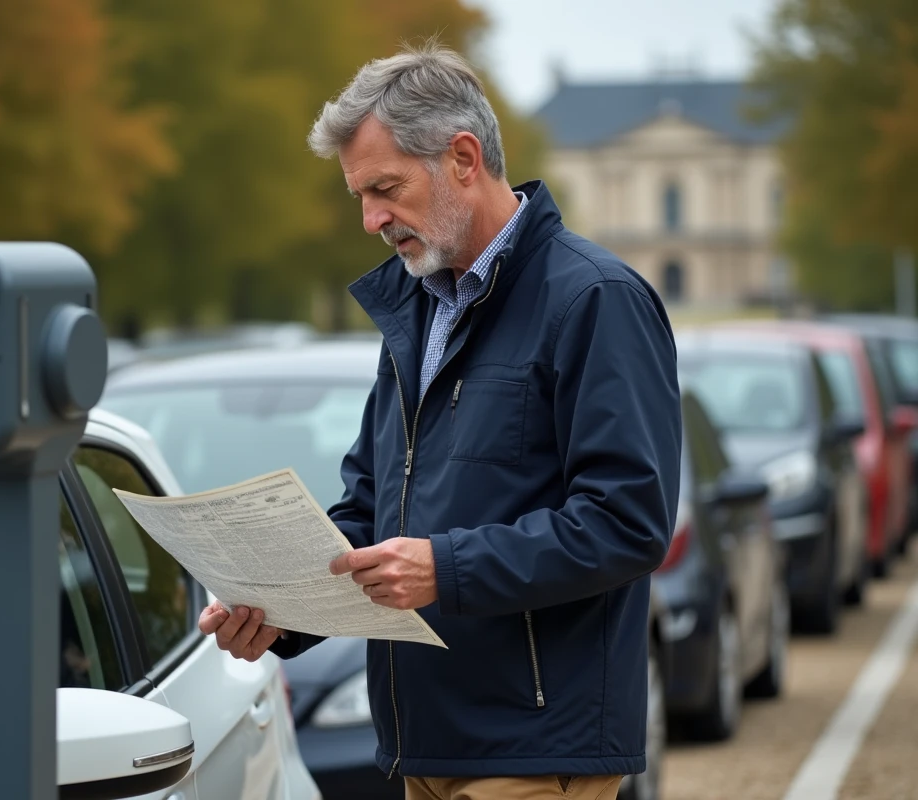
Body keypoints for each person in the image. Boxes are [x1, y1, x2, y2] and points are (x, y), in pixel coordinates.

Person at [198, 40, 682, 800]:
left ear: (462, 158)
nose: (370, 220)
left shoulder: (595, 299)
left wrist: (445, 569)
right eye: (358, 195)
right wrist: (280, 610)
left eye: (384, 188)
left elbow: (628, 522)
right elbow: (369, 510)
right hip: (419, 746)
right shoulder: (417, 311)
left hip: (532, 752)